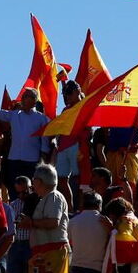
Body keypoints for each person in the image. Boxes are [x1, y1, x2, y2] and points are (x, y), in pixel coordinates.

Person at [19, 163, 70, 273]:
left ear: (40, 181)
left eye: (34, 180)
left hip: (53, 252)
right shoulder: (43, 199)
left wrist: (31, 223)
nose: (32, 183)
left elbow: (53, 222)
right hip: (41, 254)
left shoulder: (54, 196)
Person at [0, 89, 51, 194]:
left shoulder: (42, 119)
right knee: (14, 189)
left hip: (32, 161)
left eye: (26, 96)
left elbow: (45, 143)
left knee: (31, 191)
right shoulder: (14, 115)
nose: (22, 99)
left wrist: (43, 160)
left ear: (34, 100)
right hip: (14, 160)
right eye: (23, 96)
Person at [50, 81, 89, 212]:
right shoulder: (66, 109)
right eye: (66, 94)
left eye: (69, 93)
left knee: (79, 179)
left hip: (76, 145)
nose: (67, 96)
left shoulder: (85, 106)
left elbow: (88, 128)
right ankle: (70, 208)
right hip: (63, 146)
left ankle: (80, 208)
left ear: (77, 91)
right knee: (61, 179)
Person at [6, 175, 34, 273]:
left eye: (25, 192)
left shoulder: (37, 203)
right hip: (16, 245)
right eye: (19, 192)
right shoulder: (13, 205)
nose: (22, 195)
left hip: (31, 245)